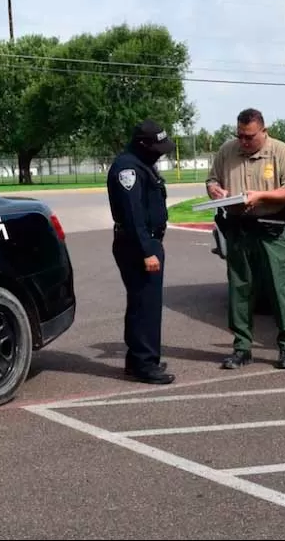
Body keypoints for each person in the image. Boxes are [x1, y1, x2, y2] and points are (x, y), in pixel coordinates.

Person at [205, 108, 285, 369]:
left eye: (249, 137)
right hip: (238, 229)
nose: (244, 142)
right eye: (240, 136)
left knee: (279, 288)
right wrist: (214, 189)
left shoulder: (280, 151)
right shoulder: (227, 151)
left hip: (271, 229)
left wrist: (260, 196)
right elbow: (212, 179)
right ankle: (241, 347)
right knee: (240, 289)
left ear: (264, 131)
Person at [106, 119, 177, 385]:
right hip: (138, 245)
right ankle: (145, 364)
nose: (160, 151)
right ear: (143, 144)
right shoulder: (128, 169)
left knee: (143, 303)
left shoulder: (141, 165)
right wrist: (147, 250)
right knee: (145, 306)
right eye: (156, 146)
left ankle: (138, 359)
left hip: (145, 242)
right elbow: (133, 215)